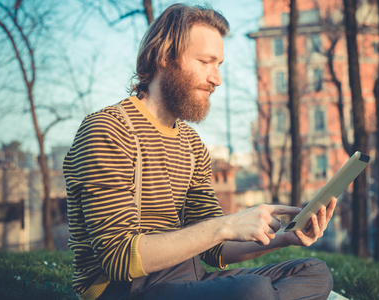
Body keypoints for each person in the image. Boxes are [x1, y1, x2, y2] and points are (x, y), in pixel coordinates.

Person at [63, 4, 337, 300]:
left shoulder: (191, 144)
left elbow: (214, 248)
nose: (216, 79)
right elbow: (118, 259)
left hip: (187, 276)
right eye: (206, 62)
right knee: (254, 291)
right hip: (124, 289)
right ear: (165, 56)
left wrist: (284, 238)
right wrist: (225, 225)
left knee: (314, 272)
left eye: (219, 65)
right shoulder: (108, 129)